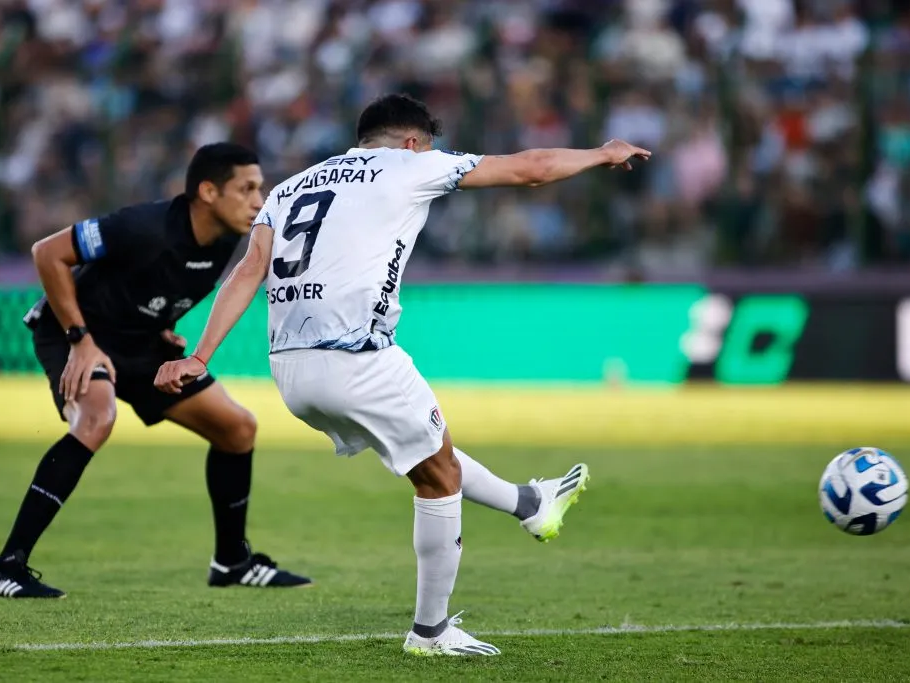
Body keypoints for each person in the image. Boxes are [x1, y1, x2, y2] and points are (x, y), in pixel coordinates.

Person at [154, 95, 650, 655]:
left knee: (431, 451)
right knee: (438, 478)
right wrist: (601, 154)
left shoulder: (290, 187)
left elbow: (247, 272)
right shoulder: (411, 165)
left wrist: (199, 358)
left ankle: (531, 505)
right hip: (357, 357)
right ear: (413, 142)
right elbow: (531, 169)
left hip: (290, 370)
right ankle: (431, 632)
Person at [0, 143, 311, 599]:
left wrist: (164, 329)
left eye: (261, 187)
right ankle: (6, 567)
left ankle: (232, 561)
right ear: (209, 192)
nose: (260, 199)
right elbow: (46, 253)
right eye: (248, 188)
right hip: (75, 334)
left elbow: (157, 286)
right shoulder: (142, 226)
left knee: (237, 428)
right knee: (97, 418)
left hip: (140, 343)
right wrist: (80, 340)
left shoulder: (228, 237)